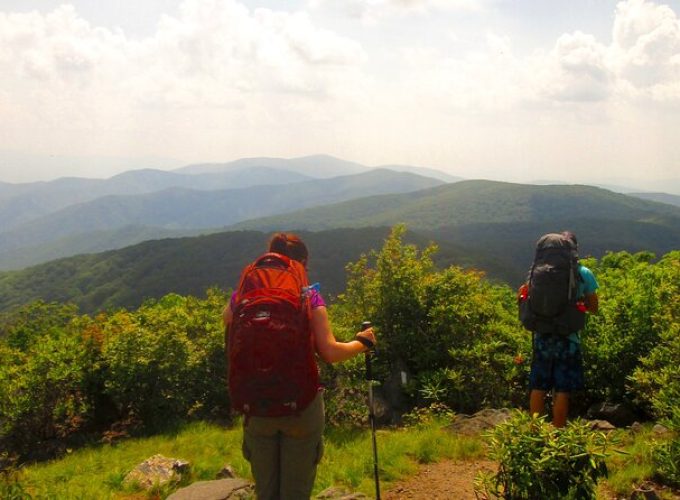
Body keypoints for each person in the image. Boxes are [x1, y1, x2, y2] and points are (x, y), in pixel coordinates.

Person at [223, 232, 376, 499]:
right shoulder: (310, 295)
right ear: (302, 263)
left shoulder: (243, 295)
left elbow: (228, 325)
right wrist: (362, 343)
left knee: (266, 493)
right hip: (301, 406)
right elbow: (330, 352)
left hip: (256, 405)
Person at [527, 231, 599, 428]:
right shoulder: (583, 273)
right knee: (562, 389)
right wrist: (579, 305)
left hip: (542, 335)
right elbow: (594, 307)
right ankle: (557, 435)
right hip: (568, 338)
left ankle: (535, 433)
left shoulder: (539, 270)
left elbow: (525, 297)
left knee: (538, 386)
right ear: (574, 250)